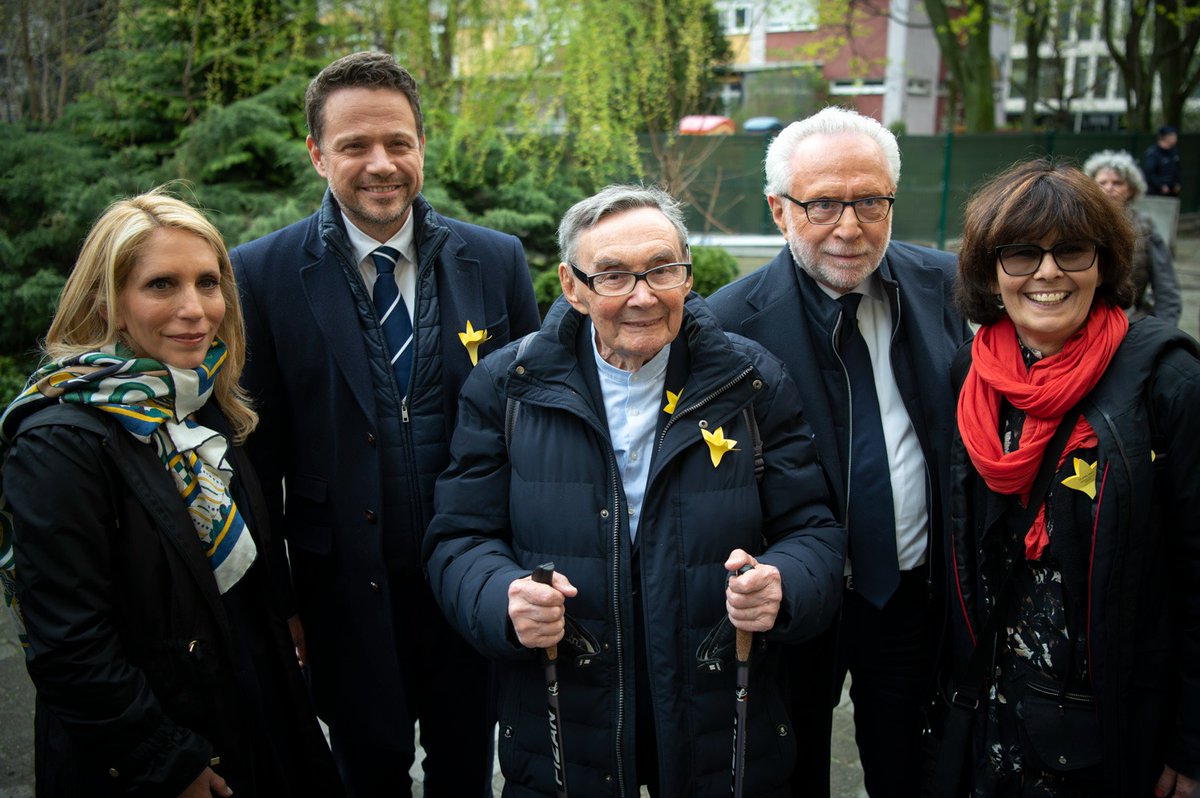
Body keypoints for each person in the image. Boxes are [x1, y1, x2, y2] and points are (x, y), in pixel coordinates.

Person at [423, 185, 845, 797]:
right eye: (614, 276)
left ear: (687, 274)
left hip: (719, 709)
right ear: (572, 286)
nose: (643, 296)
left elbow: (813, 530)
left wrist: (784, 584)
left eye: (662, 270)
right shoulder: (507, 386)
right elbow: (460, 537)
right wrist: (502, 599)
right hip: (566, 711)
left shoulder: (751, 380)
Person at [229, 51, 540, 796]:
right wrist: (282, 606)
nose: (381, 164)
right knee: (368, 770)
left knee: (468, 766)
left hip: (474, 580)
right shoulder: (261, 274)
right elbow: (252, 456)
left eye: (399, 143)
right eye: (354, 146)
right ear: (316, 154)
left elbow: (535, 427)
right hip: (341, 590)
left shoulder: (494, 262)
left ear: (422, 147)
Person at [0, 189, 342, 797]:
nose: (196, 309)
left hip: (252, 707)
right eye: (161, 285)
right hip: (154, 748)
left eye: (208, 283)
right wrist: (166, 760)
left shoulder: (198, 403)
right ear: (108, 300)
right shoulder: (59, 441)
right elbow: (69, 643)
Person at [707, 106, 972, 797]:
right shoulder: (726, 322)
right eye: (822, 203)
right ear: (778, 209)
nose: (849, 227)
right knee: (790, 774)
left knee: (912, 770)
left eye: (870, 201)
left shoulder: (945, 286)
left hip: (912, 597)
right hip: (793, 606)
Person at [944, 158, 1200, 796]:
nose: (1048, 272)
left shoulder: (1170, 384)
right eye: (1021, 253)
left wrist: (1191, 745)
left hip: (1109, 724)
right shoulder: (971, 377)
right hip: (991, 712)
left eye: (1072, 251)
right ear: (990, 270)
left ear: (1105, 262)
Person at [1084, 149, 1182, 326]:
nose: (1109, 188)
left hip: (1131, 322)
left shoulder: (1145, 227)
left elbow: (1166, 288)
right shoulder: (1079, 224)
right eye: (1102, 182)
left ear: (1131, 189)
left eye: (1117, 183)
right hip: (1084, 322)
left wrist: (1165, 333)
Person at [1143, 125, 1183, 196]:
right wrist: (1160, 185)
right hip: (1156, 193)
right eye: (1171, 135)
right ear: (1164, 137)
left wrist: (1178, 183)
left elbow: (1177, 170)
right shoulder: (1153, 153)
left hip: (1172, 192)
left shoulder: (1174, 153)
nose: (1175, 138)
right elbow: (1149, 173)